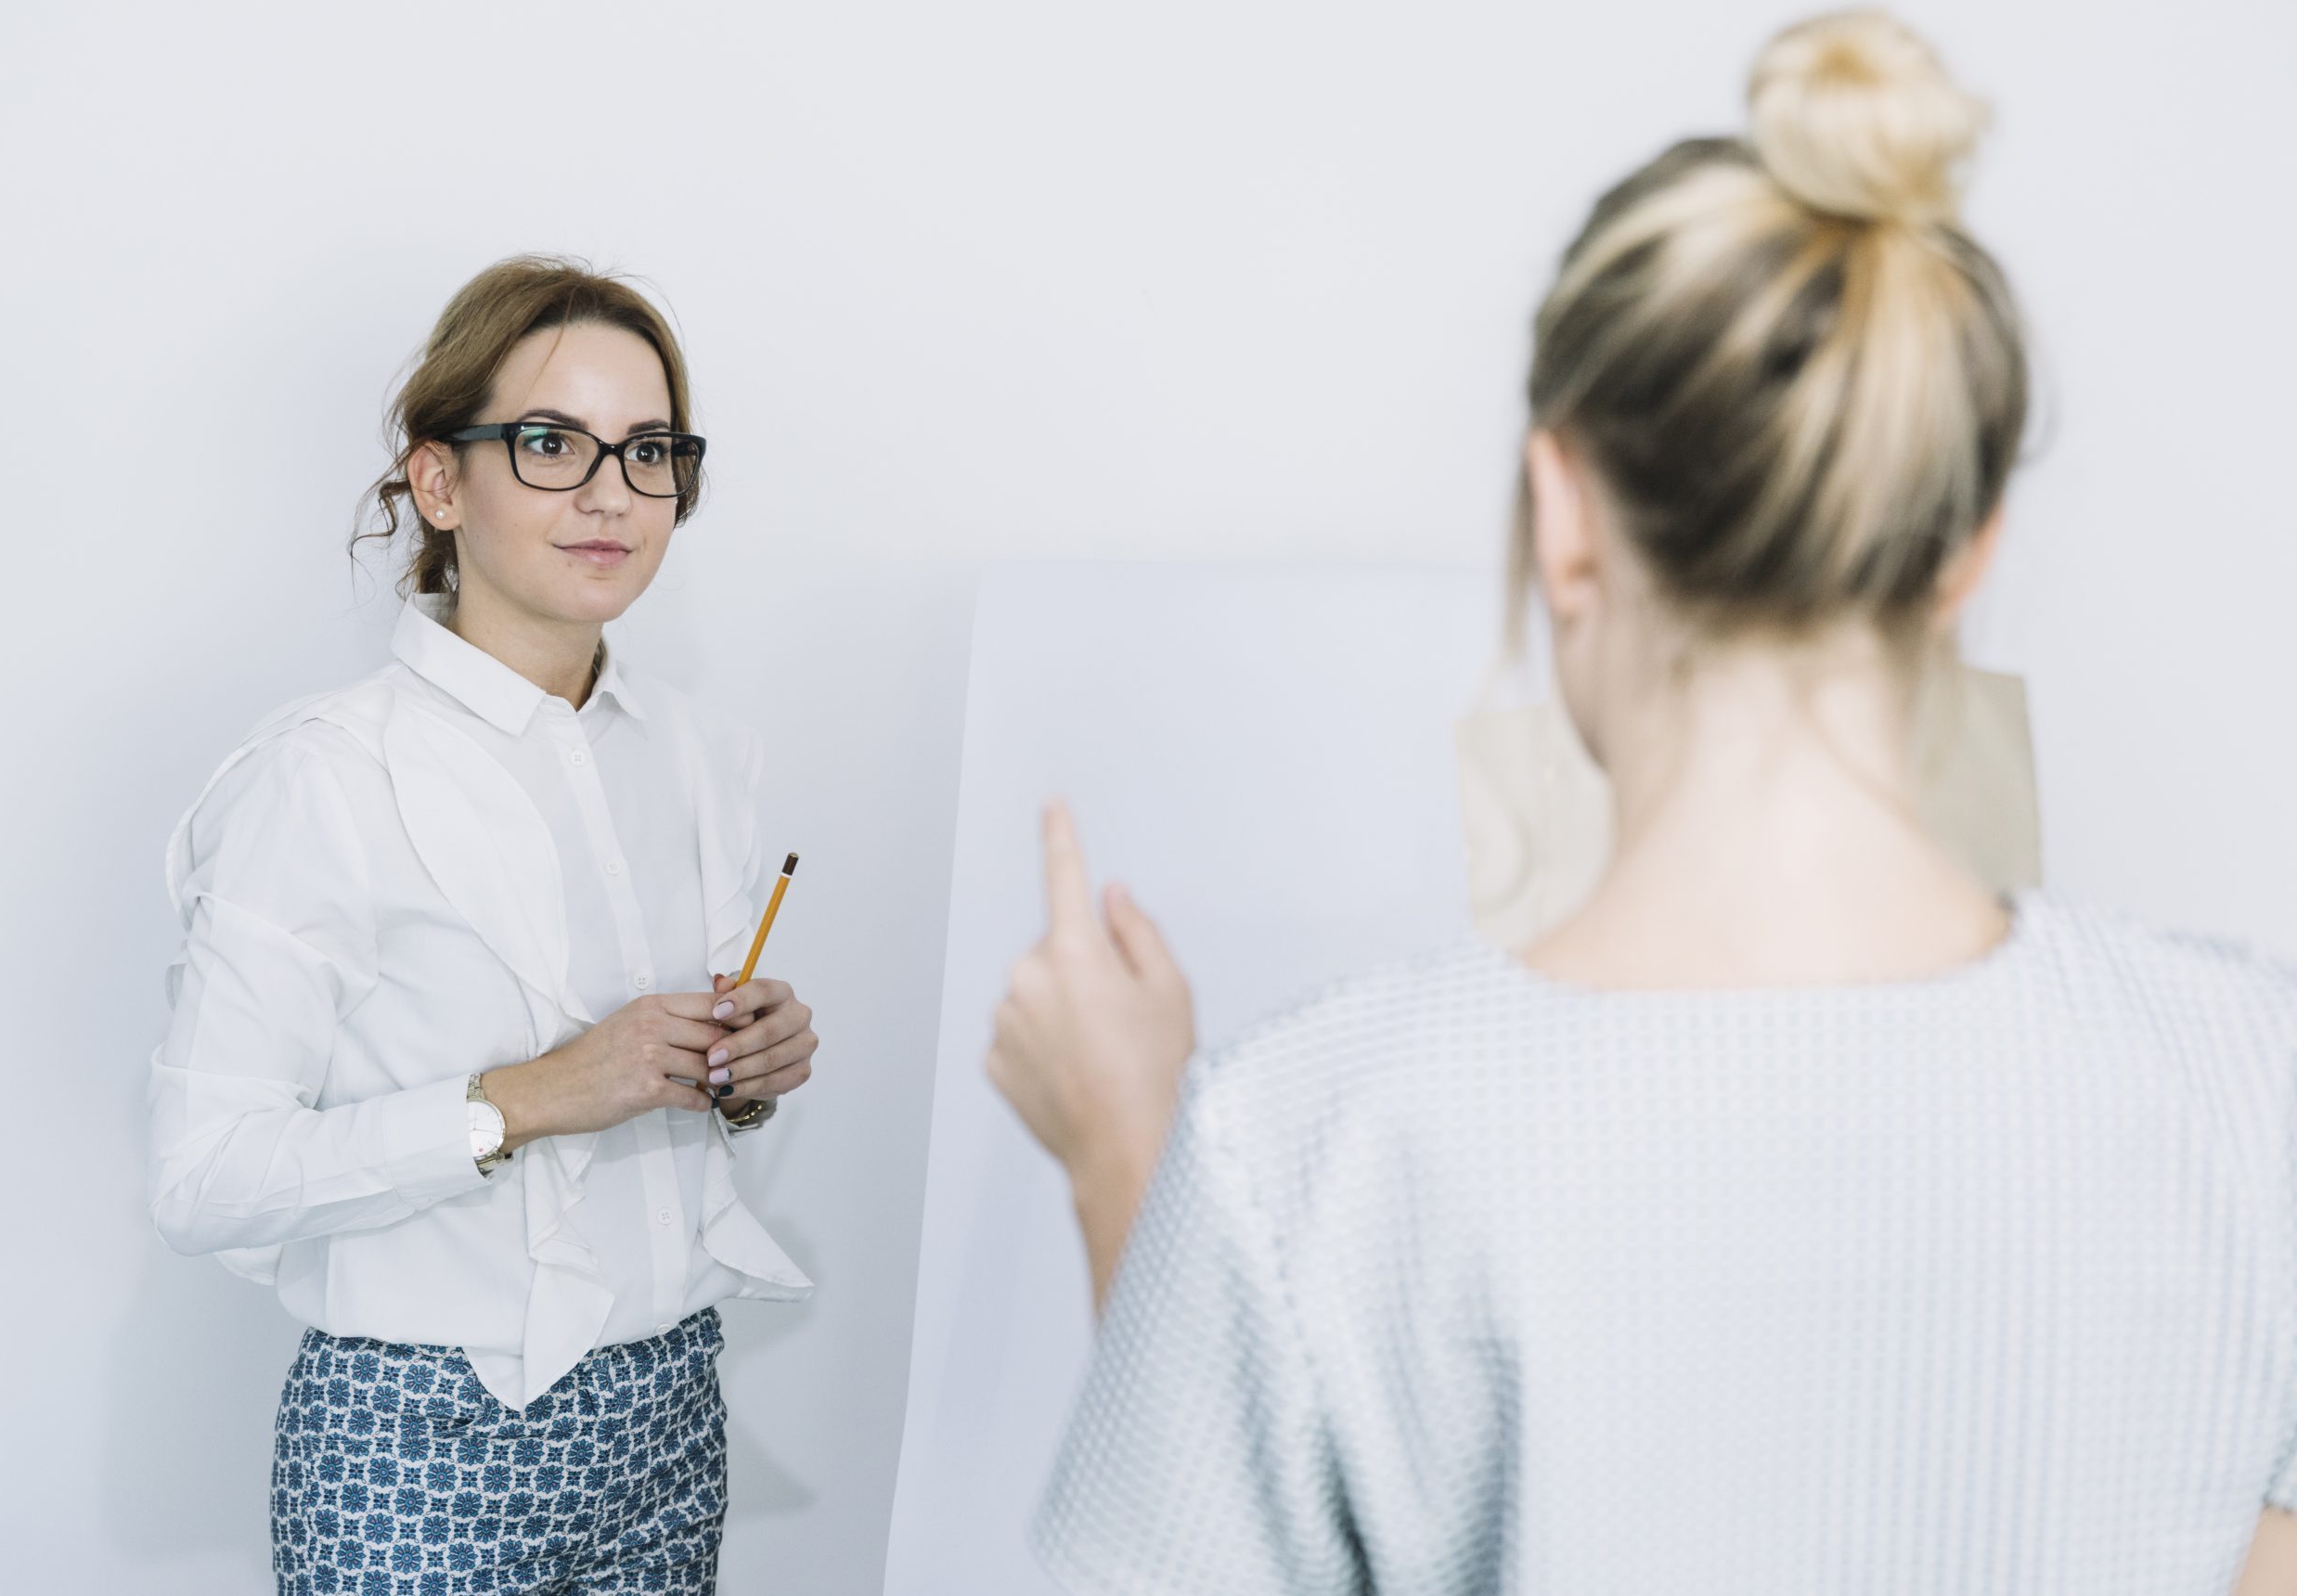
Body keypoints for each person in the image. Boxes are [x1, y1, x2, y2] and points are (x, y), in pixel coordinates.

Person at [983, 11, 2297, 1593]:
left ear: (1565, 516)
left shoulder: (1311, 1151)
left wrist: (1128, 1160)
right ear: (1966, 551)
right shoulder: (2257, 1082)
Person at [148, 255, 819, 1593]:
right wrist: (529, 1097)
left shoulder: (702, 756)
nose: (610, 493)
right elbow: (202, 1178)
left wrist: (744, 1071)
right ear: (440, 483)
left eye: (648, 452)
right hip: (415, 1437)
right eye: (551, 443)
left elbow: (678, 1102)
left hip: (670, 1417)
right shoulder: (323, 779)